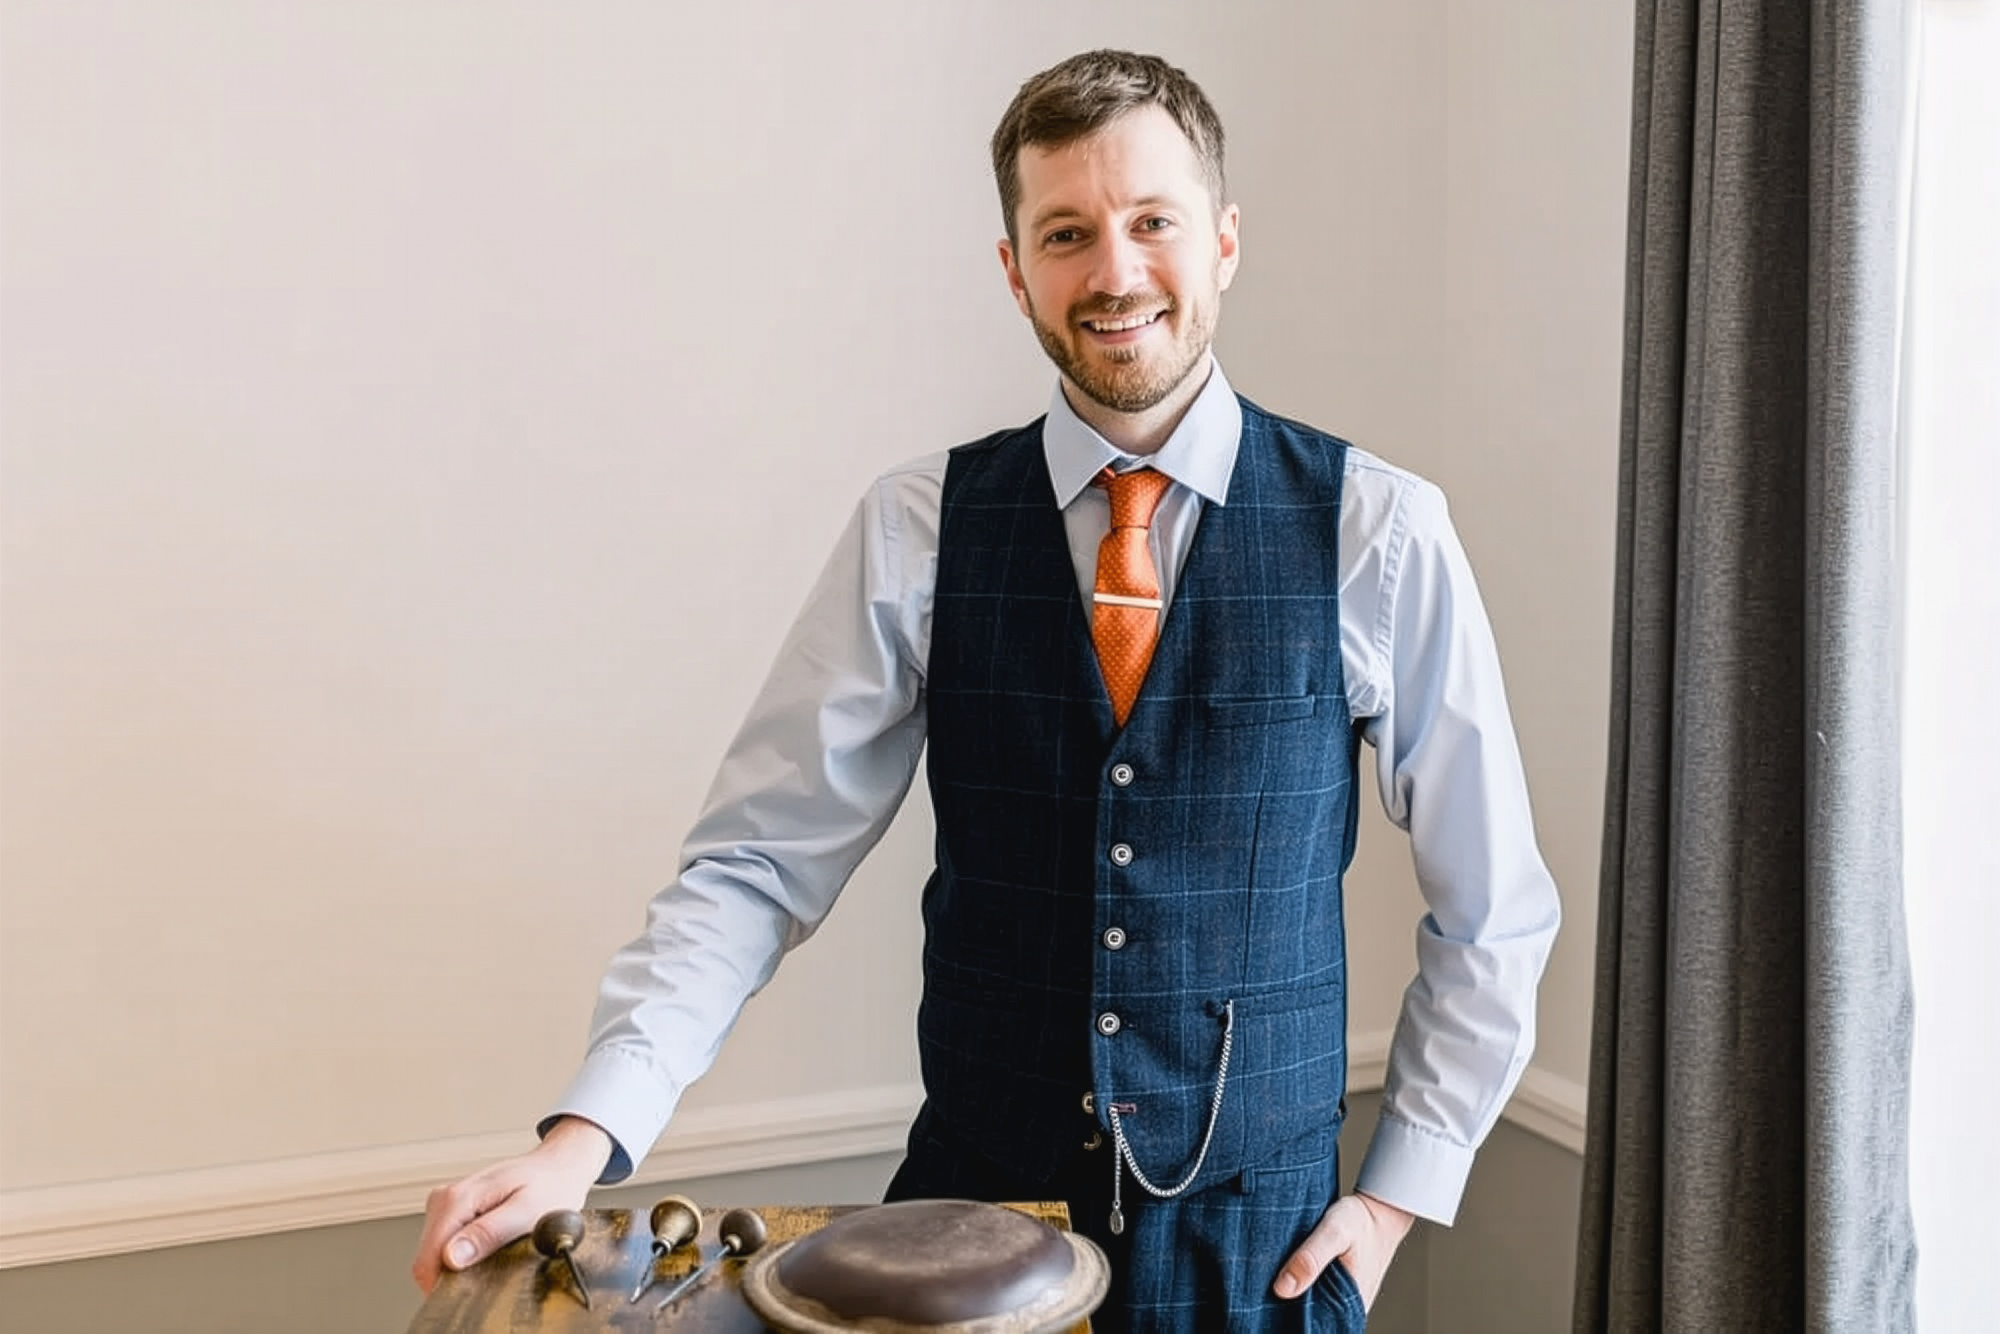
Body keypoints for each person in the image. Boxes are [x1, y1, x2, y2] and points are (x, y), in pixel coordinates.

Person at [413, 48, 1559, 1331]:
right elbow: (752, 865)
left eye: (1151, 223)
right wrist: (585, 1136)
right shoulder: (915, 527)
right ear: (1014, 270)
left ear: (1224, 242)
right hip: (961, 1241)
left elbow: (1494, 909)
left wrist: (1398, 1196)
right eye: (1066, 233)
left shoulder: (1377, 530)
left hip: (1262, 1257)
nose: (1114, 272)